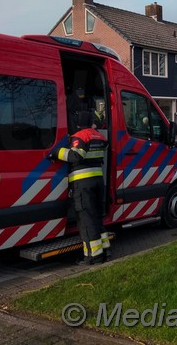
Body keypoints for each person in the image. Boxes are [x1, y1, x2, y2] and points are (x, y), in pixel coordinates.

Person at [49, 110, 110, 265]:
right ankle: (105, 251)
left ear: (78, 124)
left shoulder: (81, 136)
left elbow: (76, 156)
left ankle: (93, 256)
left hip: (83, 184)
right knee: (96, 217)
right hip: (97, 180)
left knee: (86, 220)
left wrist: (56, 152)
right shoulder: (100, 136)